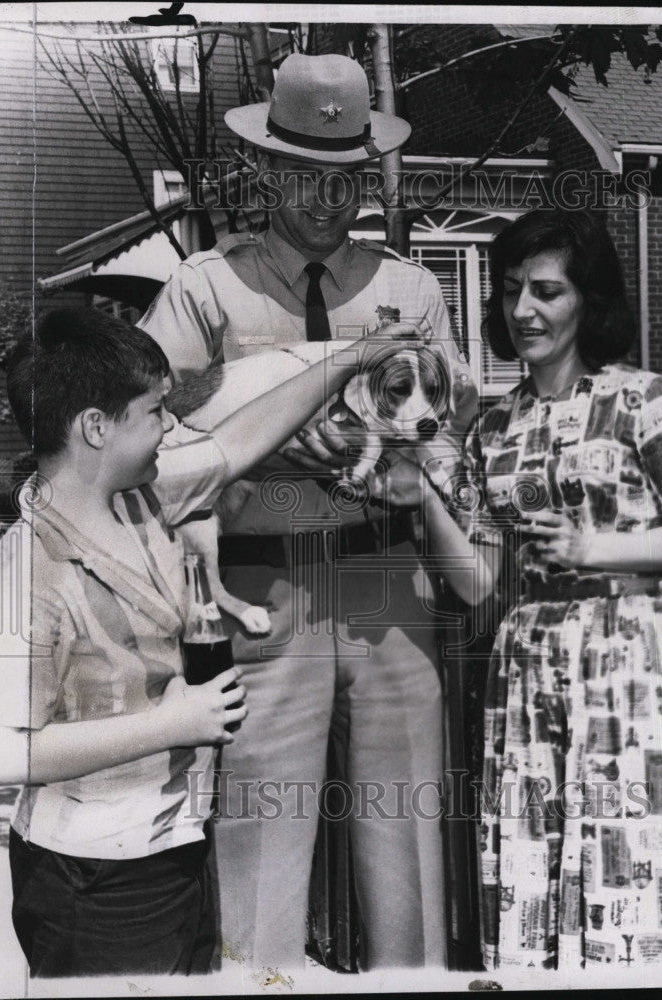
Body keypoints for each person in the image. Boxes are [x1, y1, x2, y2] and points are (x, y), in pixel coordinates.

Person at [139, 52, 478, 969]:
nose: (328, 198)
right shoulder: (205, 290)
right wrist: (267, 440)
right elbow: (137, 443)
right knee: (258, 844)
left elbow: (451, 440)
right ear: (263, 168)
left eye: (348, 177)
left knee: (405, 831)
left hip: (386, 584)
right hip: (261, 588)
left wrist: (413, 463)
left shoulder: (408, 291)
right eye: (304, 174)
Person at [0, 306, 418, 977]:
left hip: (176, 845)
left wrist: (351, 359)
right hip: (95, 875)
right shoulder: (24, 573)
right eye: (155, 413)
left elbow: (236, 443)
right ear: (95, 428)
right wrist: (170, 724)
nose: (171, 428)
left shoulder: (141, 495)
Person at [390, 207, 662, 970]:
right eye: (512, 290)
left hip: (627, 656)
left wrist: (597, 546)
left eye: (546, 291)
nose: (523, 311)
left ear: (588, 300)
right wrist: (420, 497)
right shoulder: (492, 429)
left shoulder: (641, 397)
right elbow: (481, 584)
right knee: (535, 864)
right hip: (528, 663)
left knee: (633, 858)